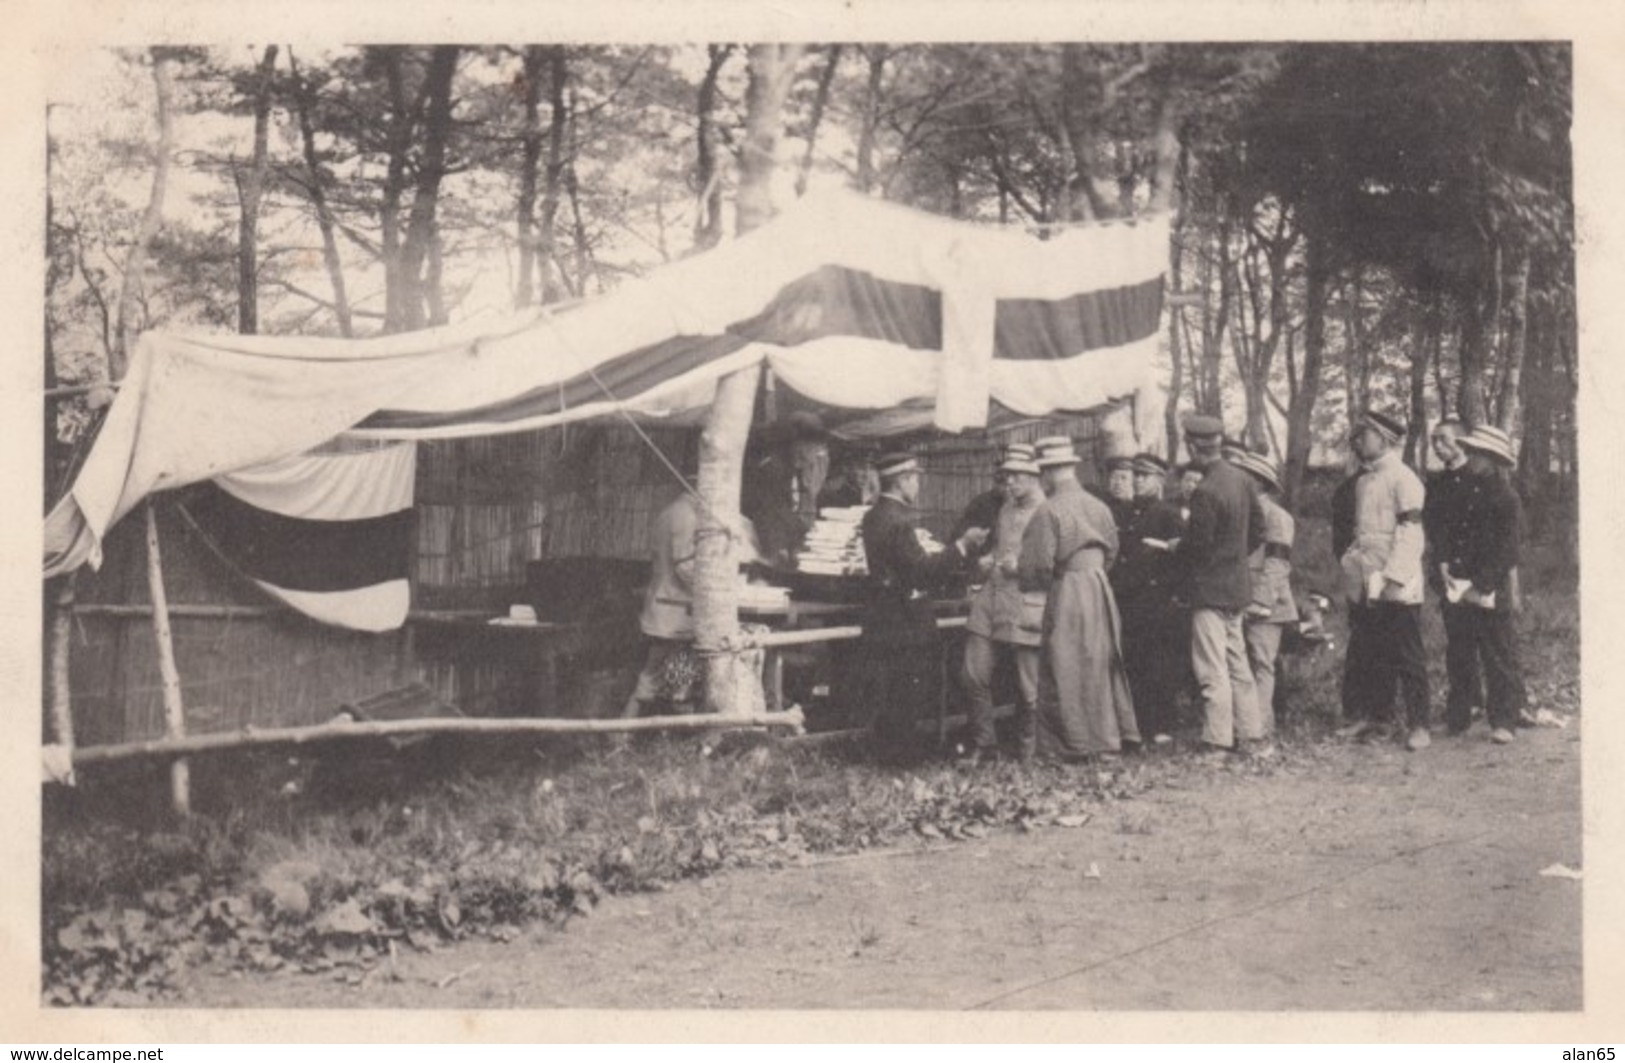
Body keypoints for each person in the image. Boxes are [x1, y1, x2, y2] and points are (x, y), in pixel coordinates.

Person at [859, 452, 989, 759]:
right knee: (908, 689)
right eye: (915, 478)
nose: (917, 485)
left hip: (883, 613)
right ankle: (902, 756)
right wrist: (962, 546)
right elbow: (921, 571)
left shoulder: (873, 515)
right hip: (906, 617)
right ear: (903, 481)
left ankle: (888, 751)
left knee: (890, 688)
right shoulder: (900, 520)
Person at [1017, 436, 1138, 758]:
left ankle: (1075, 743)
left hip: (1068, 587)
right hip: (1099, 587)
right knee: (1100, 660)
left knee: (1065, 662)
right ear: (1070, 469)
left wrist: (1042, 580)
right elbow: (1112, 551)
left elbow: (1037, 565)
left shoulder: (1049, 510)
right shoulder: (1099, 506)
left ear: (1047, 473)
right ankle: (1108, 739)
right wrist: (1094, 572)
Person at [1335, 409, 1431, 751]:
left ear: (1385, 439)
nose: (1358, 441)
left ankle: (1420, 724)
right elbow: (1361, 534)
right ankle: (1378, 717)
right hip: (1365, 579)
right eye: (1357, 436)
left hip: (1397, 580)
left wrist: (1394, 577)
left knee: (1407, 653)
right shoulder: (1363, 481)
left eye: (1366, 435)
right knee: (1371, 650)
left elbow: (1411, 533)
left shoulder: (1405, 479)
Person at [622, 484, 760, 719]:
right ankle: (628, 732)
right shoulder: (685, 515)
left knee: (660, 677)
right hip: (674, 613)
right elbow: (685, 565)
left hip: (670, 609)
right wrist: (718, 590)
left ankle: (633, 732)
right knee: (661, 678)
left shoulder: (675, 511)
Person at [1174, 414, 1266, 758]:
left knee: (1212, 668)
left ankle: (1217, 741)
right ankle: (1252, 736)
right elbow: (1258, 530)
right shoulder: (1242, 480)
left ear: (1194, 447)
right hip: (1237, 589)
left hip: (1210, 591)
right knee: (1239, 665)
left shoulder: (1206, 491)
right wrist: (1235, 557)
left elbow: (1197, 547)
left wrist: (1176, 548)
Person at [1437, 425, 1527, 744]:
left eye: (1477, 453)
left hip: (1490, 587)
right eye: (1471, 451)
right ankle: (1459, 716)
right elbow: (1447, 530)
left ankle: (1504, 720)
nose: (1471, 457)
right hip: (1458, 583)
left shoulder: (1506, 497)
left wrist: (1483, 584)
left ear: (1491, 460)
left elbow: (1510, 549)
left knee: (1497, 654)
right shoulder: (1461, 489)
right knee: (1459, 652)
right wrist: (1445, 563)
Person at [960, 444, 1046, 764]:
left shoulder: (1047, 510)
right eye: (1006, 476)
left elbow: (1052, 564)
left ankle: (1029, 749)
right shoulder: (1007, 508)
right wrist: (988, 559)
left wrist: (1019, 566)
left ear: (1035, 476)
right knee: (973, 673)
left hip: (1025, 598)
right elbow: (1002, 547)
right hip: (992, 594)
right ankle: (985, 746)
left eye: (1016, 477)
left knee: (1029, 685)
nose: (1008, 483)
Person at [1113, 452, 1187, 744]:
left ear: (1159, 480)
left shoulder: (1168, 513)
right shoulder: (1128, 512)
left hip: (1157, 599)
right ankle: (1136, 725)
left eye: (1144, 476)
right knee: (1132, 662)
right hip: (1130, 598)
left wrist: (1169, 591)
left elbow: (1182, 557)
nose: (1138, 480)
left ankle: (1160, 725)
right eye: (1136, 475)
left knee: (1158, 664)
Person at [1422, 419, 1480, 730]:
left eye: (1443, 439)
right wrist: (1442, 562)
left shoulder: (1479, 477)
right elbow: (1435, 527)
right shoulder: (1437, 483)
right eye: (1433, 441)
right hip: (1449, 573)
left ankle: (1499, 705)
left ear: (1461, 440)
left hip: (1482, 573)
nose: (1438, 446)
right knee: (1458, 642)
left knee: (1492, 641)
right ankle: (1460, 712)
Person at [1236, 451, 1298, 736]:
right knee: (1240, 664)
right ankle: (1243, 724)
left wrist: (1261, 600)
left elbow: (1278, 561)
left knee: (1262, 663)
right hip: (1237, 597)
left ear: (1260, 483)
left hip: (1269, 604)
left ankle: (1260, 726)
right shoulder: (1238, 512)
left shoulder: (1277, 517)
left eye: (1246, 477)